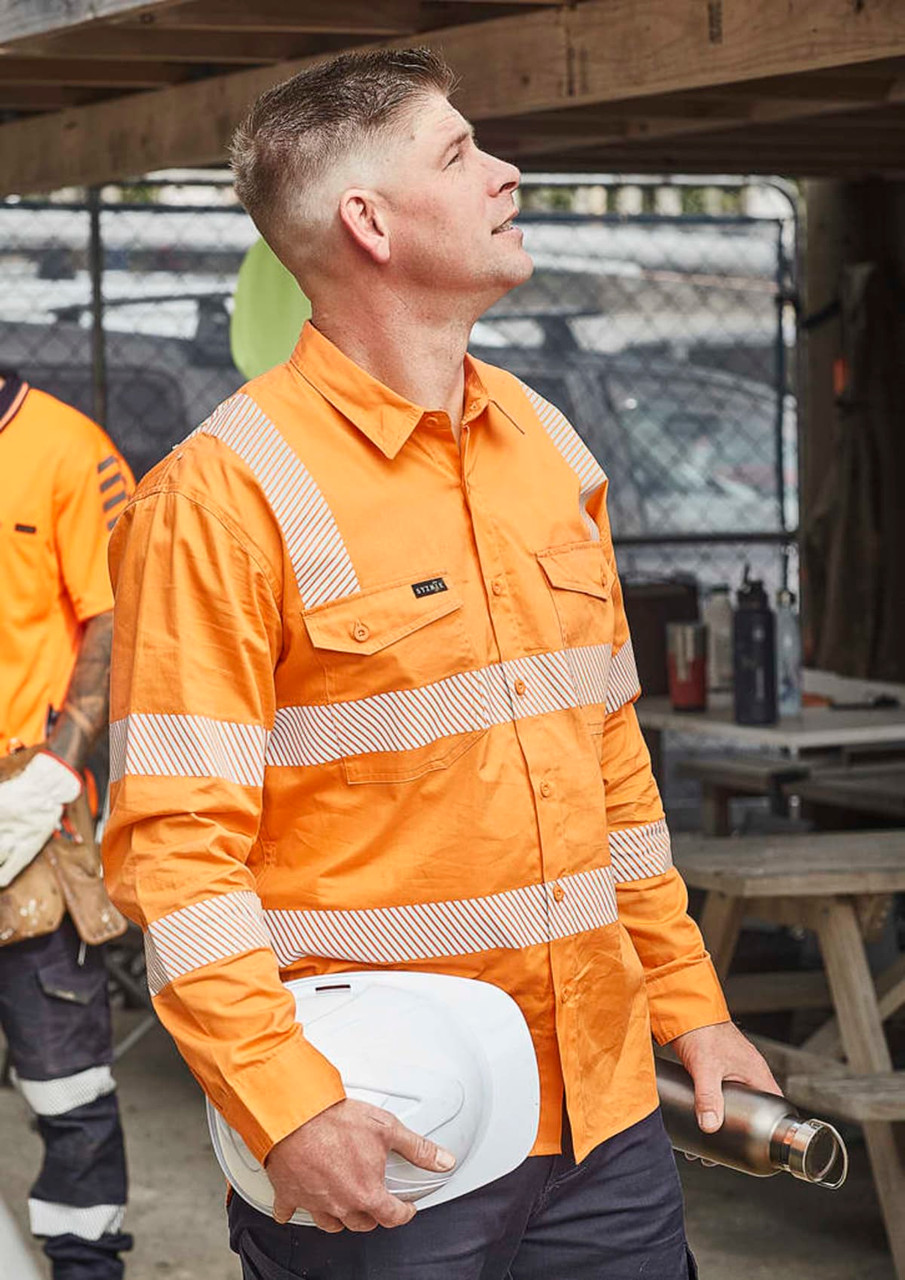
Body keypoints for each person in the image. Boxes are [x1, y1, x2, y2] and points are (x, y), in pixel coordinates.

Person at [102, 49, 780, 1280]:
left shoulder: (546, 443)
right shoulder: (221, 495)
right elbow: (173, 848)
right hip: (386, 1132)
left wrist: (691, 1004)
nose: (505, 172)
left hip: (603, 1116)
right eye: (460, 153)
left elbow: (611, 773)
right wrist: (284, 1102)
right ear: (368, 222)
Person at [0, 371, 134, 1280]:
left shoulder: (66, 447)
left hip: (29, 810)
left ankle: (86, 1266)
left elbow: (119, 614)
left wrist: (54, 772)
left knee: (66, 1080)